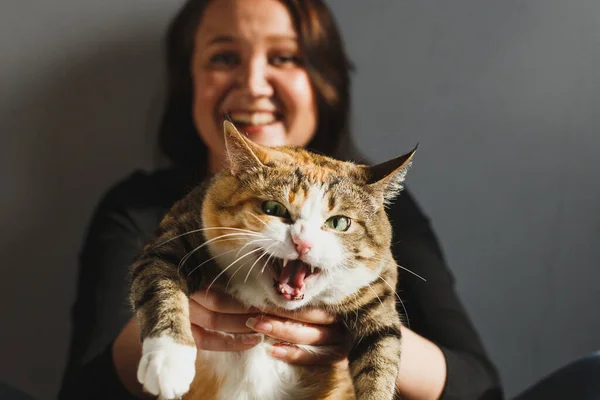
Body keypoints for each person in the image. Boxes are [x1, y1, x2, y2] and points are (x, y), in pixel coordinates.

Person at [57, 0, 504, 399]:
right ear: (187, 79)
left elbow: (480, 386)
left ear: (323, 79)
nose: (253, 85)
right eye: (224, 57)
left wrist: (356, 338)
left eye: (284, 57)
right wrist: (172, 324)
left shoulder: (376, 207)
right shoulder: (139, 207)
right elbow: (82, 390)